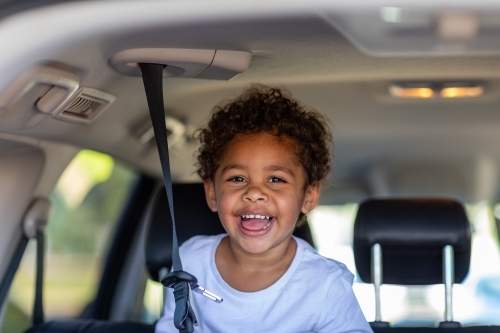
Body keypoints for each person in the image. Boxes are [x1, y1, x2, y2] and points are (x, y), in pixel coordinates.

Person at [156, 85, 372, 333]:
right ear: (212, 194)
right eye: (237, 178)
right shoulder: (191, 260)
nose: (255, 192)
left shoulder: (325, 283)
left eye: (276, 179)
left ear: (309, 196)